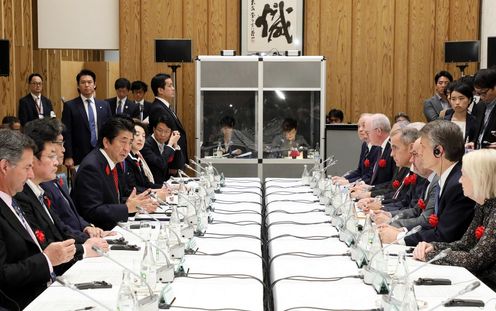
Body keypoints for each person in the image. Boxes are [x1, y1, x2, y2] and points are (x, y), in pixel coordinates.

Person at [15, 119, 108, 273]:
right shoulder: (22, 195)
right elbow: (47, 244)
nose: (57, 162)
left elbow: (61, 228)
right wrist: (83, 249)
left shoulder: (40, 189)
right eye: (51, 156)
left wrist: (90, 239)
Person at [0, 129, 77, 309]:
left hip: (48, 288)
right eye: (27, 167)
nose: (31, 175)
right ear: (4, 167)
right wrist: (47, 259)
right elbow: (3, 275)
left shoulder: (14, 198)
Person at [413, 149, 496, 290]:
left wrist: (432, 255)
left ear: (479, 177)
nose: (459, 180)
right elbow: (465, 244)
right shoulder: (483, 205)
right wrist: (433, 246)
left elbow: (476, 260)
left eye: (463, 175)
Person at [71, 116, 158, 230]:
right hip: (97, 233)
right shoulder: (92, 167)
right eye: (123, 142)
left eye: (130, 142)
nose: (127, 148)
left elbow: (113, 200)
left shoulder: (113, 161)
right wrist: (127, 208)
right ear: (106, 142)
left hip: (115, 227)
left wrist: (138, 204)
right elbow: (91, 211)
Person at [402, 120, 475, 246]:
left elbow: (445, 235)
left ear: (438, 151)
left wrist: (401, 237)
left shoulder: (459, 185)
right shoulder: (446, 178)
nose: (419, 153)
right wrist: (403, 231)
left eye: (423, 148)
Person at [39, 118, 112, 238]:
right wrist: (87, 239)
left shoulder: (54, 178)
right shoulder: (42, 184)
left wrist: (87, 227)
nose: (64, 149)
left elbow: (73, 215)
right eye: (60, 143)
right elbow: (60, 227)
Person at [376, 137, 437, 242]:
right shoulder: (428, 178)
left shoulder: (434, 181)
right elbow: (415, 209)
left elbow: (424, 219)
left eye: (415, 154)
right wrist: (389, 214)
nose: (411, 159)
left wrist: (391, 222)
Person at [61, 69, 113, 168]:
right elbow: (66, 132)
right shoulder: (70, 106)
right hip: (79, 154)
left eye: (89, 82)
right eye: (83, 82)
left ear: (94, 85)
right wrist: (68, 156)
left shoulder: (104, 105)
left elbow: (109, 129)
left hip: (102, 151)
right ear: (78, 86)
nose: (86, 85)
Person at [148, 73, 187, 169]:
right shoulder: (158, 108)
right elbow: (162, 137)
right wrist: (171, 165)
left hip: (175, 157)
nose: (173, 88)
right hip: (169, 162)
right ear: (160, 90)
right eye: (169, 86)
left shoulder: (165, 106)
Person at [125, 120, 171, 199]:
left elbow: (147, 183)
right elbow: (132, 188)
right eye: (137, 135)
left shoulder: (137, 157)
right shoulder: (126, 159)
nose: (141, 139)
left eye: (143, 136)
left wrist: (167, 187)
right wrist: (154, 194)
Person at [332, 113, 379, 185]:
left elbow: (371, 176)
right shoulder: (365, 145)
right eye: (359, 126)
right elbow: (360, 171)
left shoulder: (378, 148)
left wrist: (348, 182)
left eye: (364, 126)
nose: (360, 130)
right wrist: (344, 178)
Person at [141, 114, 182, 185]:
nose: (163, 135)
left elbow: (178, 165)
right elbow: (160, 163)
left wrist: (175, 144)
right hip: (152, 186)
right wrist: (170, 144)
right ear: (154, 129)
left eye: (167, 131)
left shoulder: (167, 144)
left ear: (171, 132)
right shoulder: (146, 144)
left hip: (167, 184)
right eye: (160, 130)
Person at [469, 68, 496, 149]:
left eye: (484, 93)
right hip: (480, 155)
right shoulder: (479, 106)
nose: (481, 96)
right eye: (478, 93)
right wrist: (473, 142)